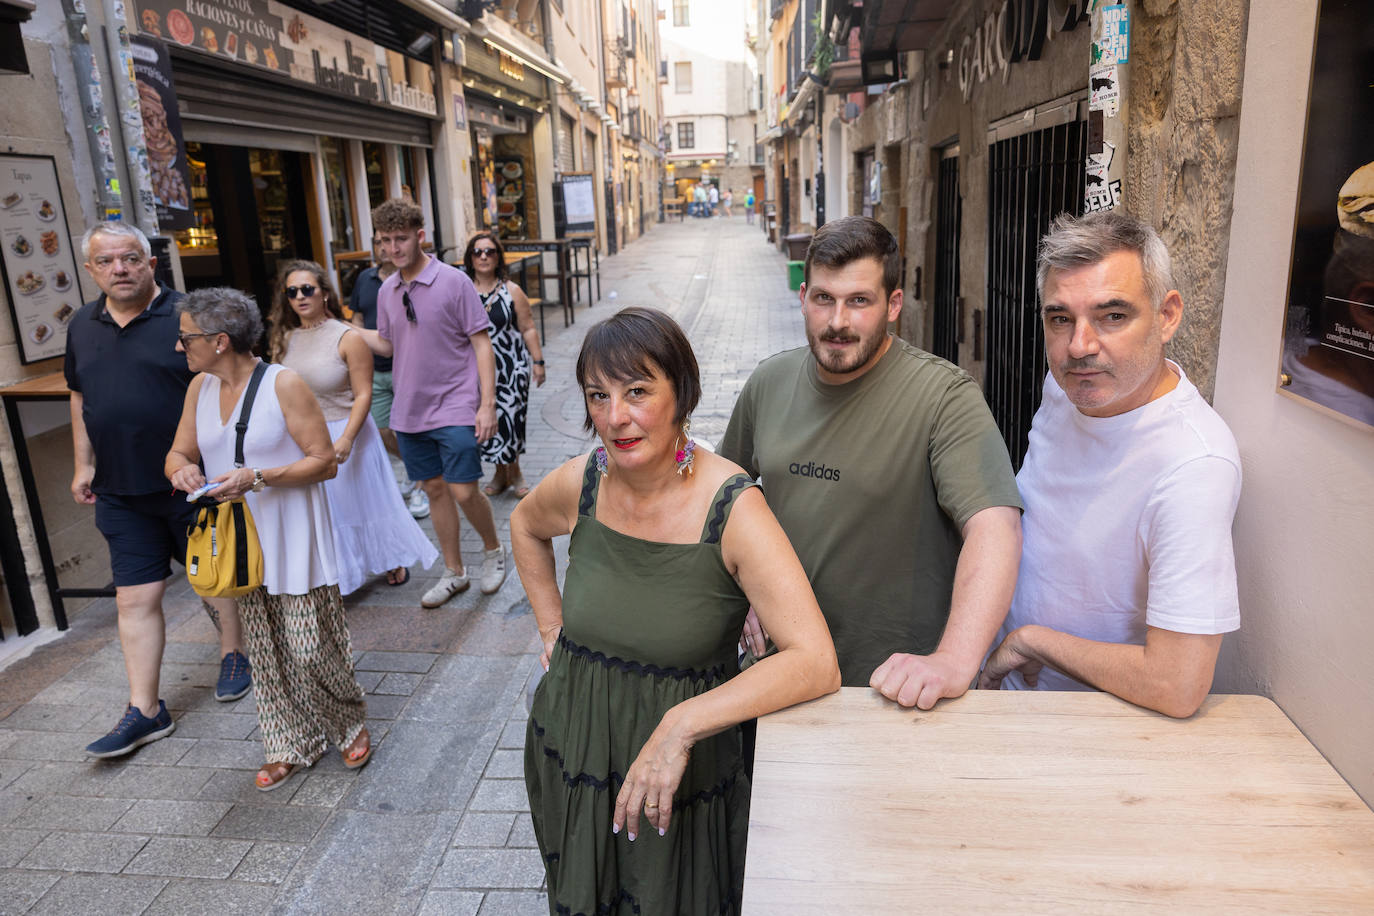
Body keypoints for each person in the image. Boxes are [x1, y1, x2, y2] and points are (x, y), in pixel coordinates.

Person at [513, 307, 839, 914]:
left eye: (638, 391)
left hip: (679, 779)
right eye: (598, 396)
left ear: (681, 393)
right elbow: (524, 525)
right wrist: (551, 624)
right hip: (577, 750)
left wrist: (680, 725)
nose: (616, 417)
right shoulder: (586, 482)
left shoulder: (732, 508)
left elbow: (815, 661)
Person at [719, 215, 1023, 708]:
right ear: (803, 298)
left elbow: (996, 529)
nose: (838, 321)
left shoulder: (943, 397)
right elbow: (722, 502)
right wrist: (740, 585)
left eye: (859, 301)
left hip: (893, 692)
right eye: (824, 299)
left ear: (893, 304)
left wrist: (952, 661)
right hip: (780, 679)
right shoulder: (768, 384)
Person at [979, 210, 1242, 718]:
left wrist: (1035, 641)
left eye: (1112, 316)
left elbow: (1176, 685)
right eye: (1060, 318)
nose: (1079, 346)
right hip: (997, 692)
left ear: (1167, 316)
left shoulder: (1193, 465)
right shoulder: (1069, 388)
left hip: (1093, 732)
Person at [166, 287, 371, 790]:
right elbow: (178, 452)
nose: (178, 346)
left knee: (309, 648)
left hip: (293, 535)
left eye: (185, 336)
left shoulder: (284, 384)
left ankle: (346, 720)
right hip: (238, 543)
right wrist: (183, 472)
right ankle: (289, 742)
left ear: (219, 341)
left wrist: (257, 477)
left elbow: (323, 462)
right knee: (267, 651)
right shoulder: (200, 389)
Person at [67, 222, 246, 759]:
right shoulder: (81, 324)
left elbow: (228, 382)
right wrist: (83, 464)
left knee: (214, 580)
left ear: (151, 262)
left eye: (130, 258)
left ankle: (233, 651)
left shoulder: (187, 317)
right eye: (107, 261)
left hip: (191, 483)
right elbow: (80, 397)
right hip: (120, 489)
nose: (119, 269)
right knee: (136, 597)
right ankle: (145, 709)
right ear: (91, 269)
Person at [353, 198, 508, 606]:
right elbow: (388, 343)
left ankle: (493, 550)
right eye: (385, 241)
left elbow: (481, 342)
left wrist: (486, 403)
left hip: (455, 403)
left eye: (400, 238)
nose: (393, 248)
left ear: (420, 236)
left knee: (462, 490)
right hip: (409, 410)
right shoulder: (387, 290)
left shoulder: (454, 282)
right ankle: (454, 572)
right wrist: (341, 331)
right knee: (435, 489)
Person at [269, 260, 438, 592]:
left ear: (324, 293)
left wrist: (347, 438)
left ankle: (390, 556)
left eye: (307, 289)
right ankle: (338, 573)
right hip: (304, 436)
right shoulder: (283, 338)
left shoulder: (346, 337)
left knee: (360, 503)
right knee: (327, 508)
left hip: (347, 431)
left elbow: (363, 394)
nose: (300, 297)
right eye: (292, 292)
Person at [461, 232, 547, 498]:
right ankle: (500, 472)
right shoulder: (462, 291)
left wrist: (538, 362)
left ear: (498, 257)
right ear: (470, 258)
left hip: (511, 370)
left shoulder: (512, 291)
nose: (484, 256)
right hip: (475, 371)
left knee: (512, 421)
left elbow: (528, 327)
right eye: (478, 252)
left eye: (490, 251)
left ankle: (516, 471)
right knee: (492, 423)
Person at [349, 240, 429, 519]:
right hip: (374, 368)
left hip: (407, 369)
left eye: (394, 241)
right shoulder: (365, 279)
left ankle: (421, 487)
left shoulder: (412, 282)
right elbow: (357, 318)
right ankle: (417, 468)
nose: (386, 248)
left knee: (411, 432)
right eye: (380, 242)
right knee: (382, 431)